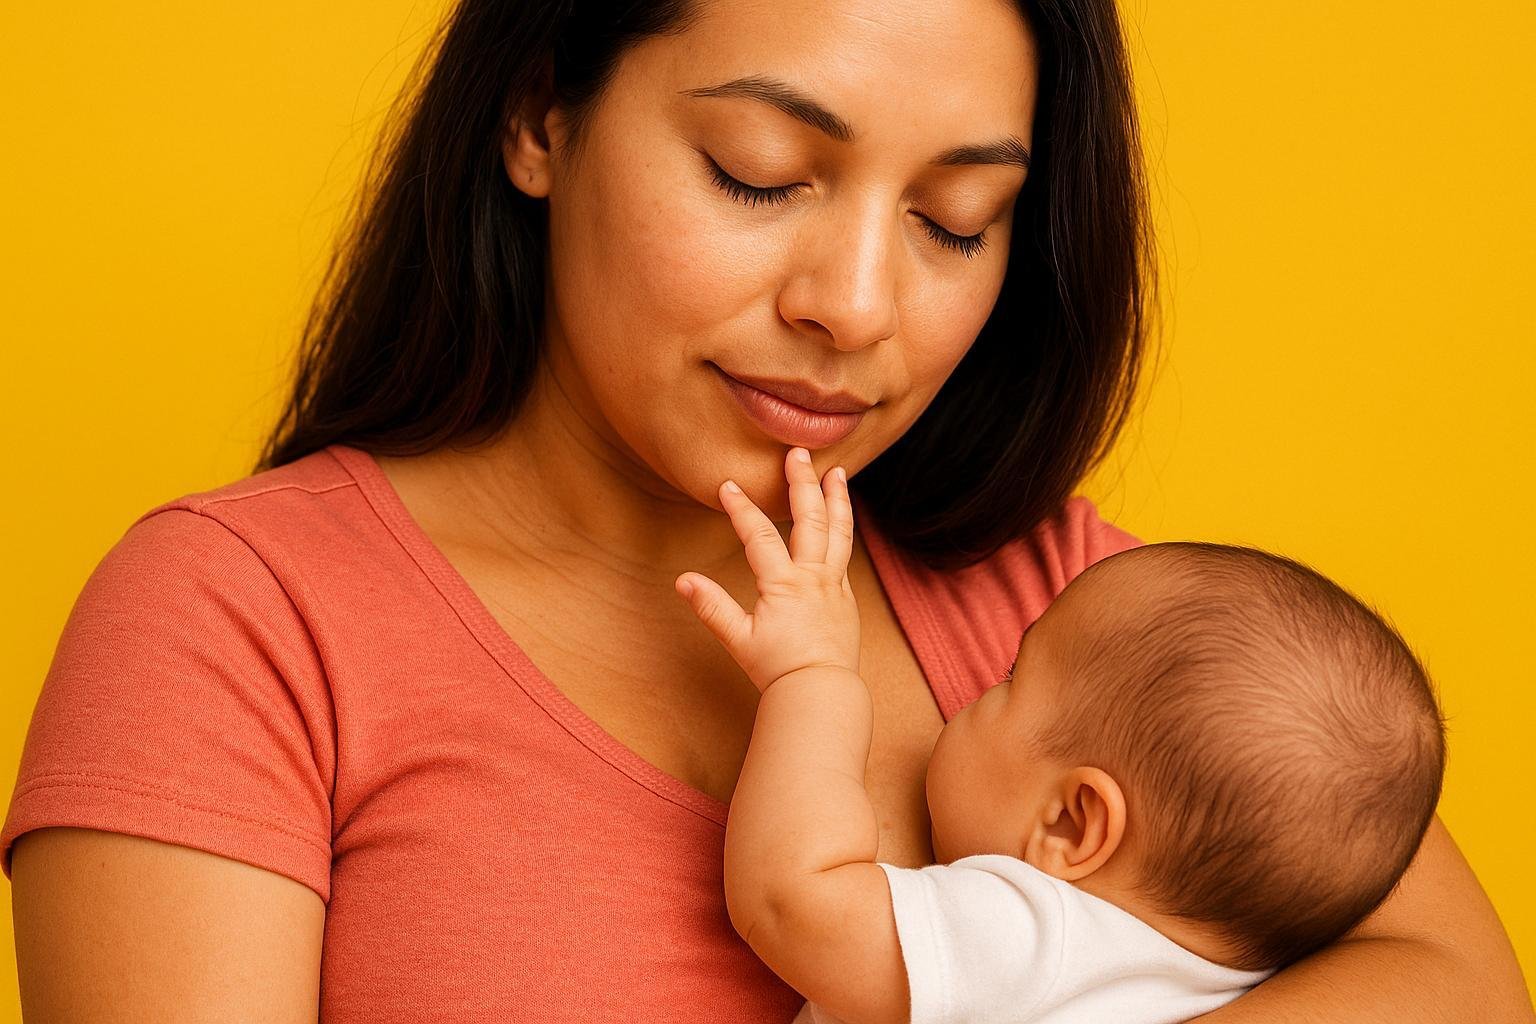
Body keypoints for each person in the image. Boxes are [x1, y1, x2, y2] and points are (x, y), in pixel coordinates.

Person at [3, 0, 1529, 1020]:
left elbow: (1459, 981)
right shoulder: (244, 615)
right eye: (758, 175)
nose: (856, 307)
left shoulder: (1063, 604)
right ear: (541, 116)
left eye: (956, 221)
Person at [678, 448, 1446, 1024]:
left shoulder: (1044, 942)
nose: (980, 683)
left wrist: (810, 678)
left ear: (1072, 823)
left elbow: (791, 903)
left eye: (1012, 675)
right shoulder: (1218, 980)